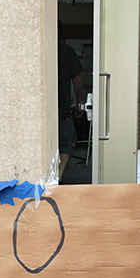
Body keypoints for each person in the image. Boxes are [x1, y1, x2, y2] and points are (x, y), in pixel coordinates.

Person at [57, 20, 85, 182]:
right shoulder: (67, 51)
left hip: (41, 113)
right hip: (62, 111)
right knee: (67, 141)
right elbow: (77, 81)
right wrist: (80, 102)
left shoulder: (38, 50)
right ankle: (59, 174)